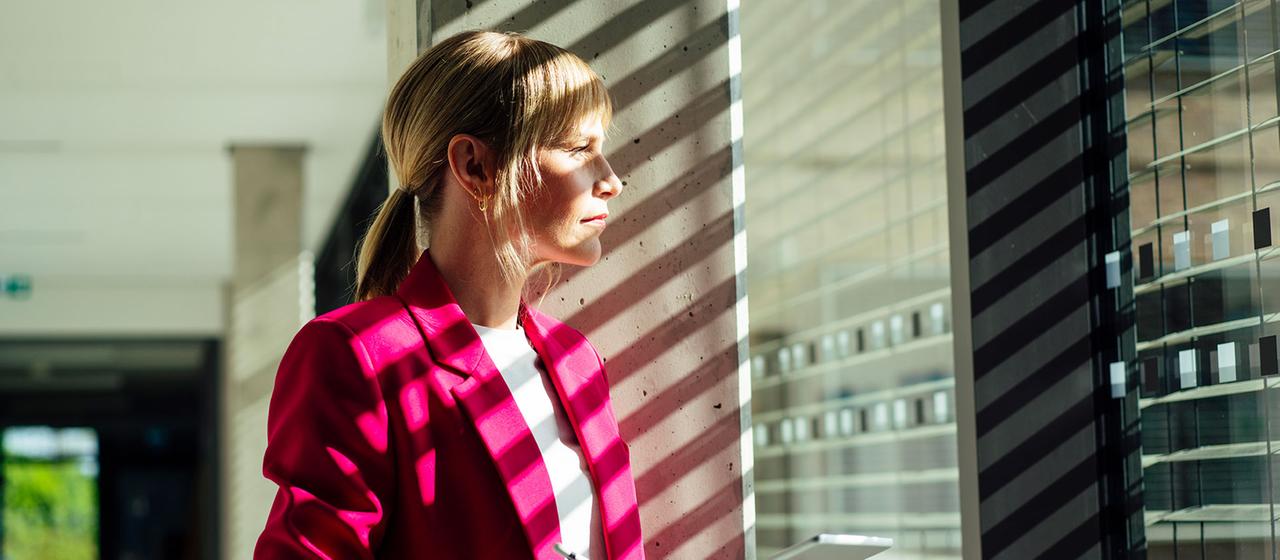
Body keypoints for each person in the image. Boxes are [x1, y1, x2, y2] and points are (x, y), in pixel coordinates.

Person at [253, 30, 643, 559]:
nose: (612, 180)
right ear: (475, 166)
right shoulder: (357, 355)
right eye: (580, 149)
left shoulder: (578, 361)